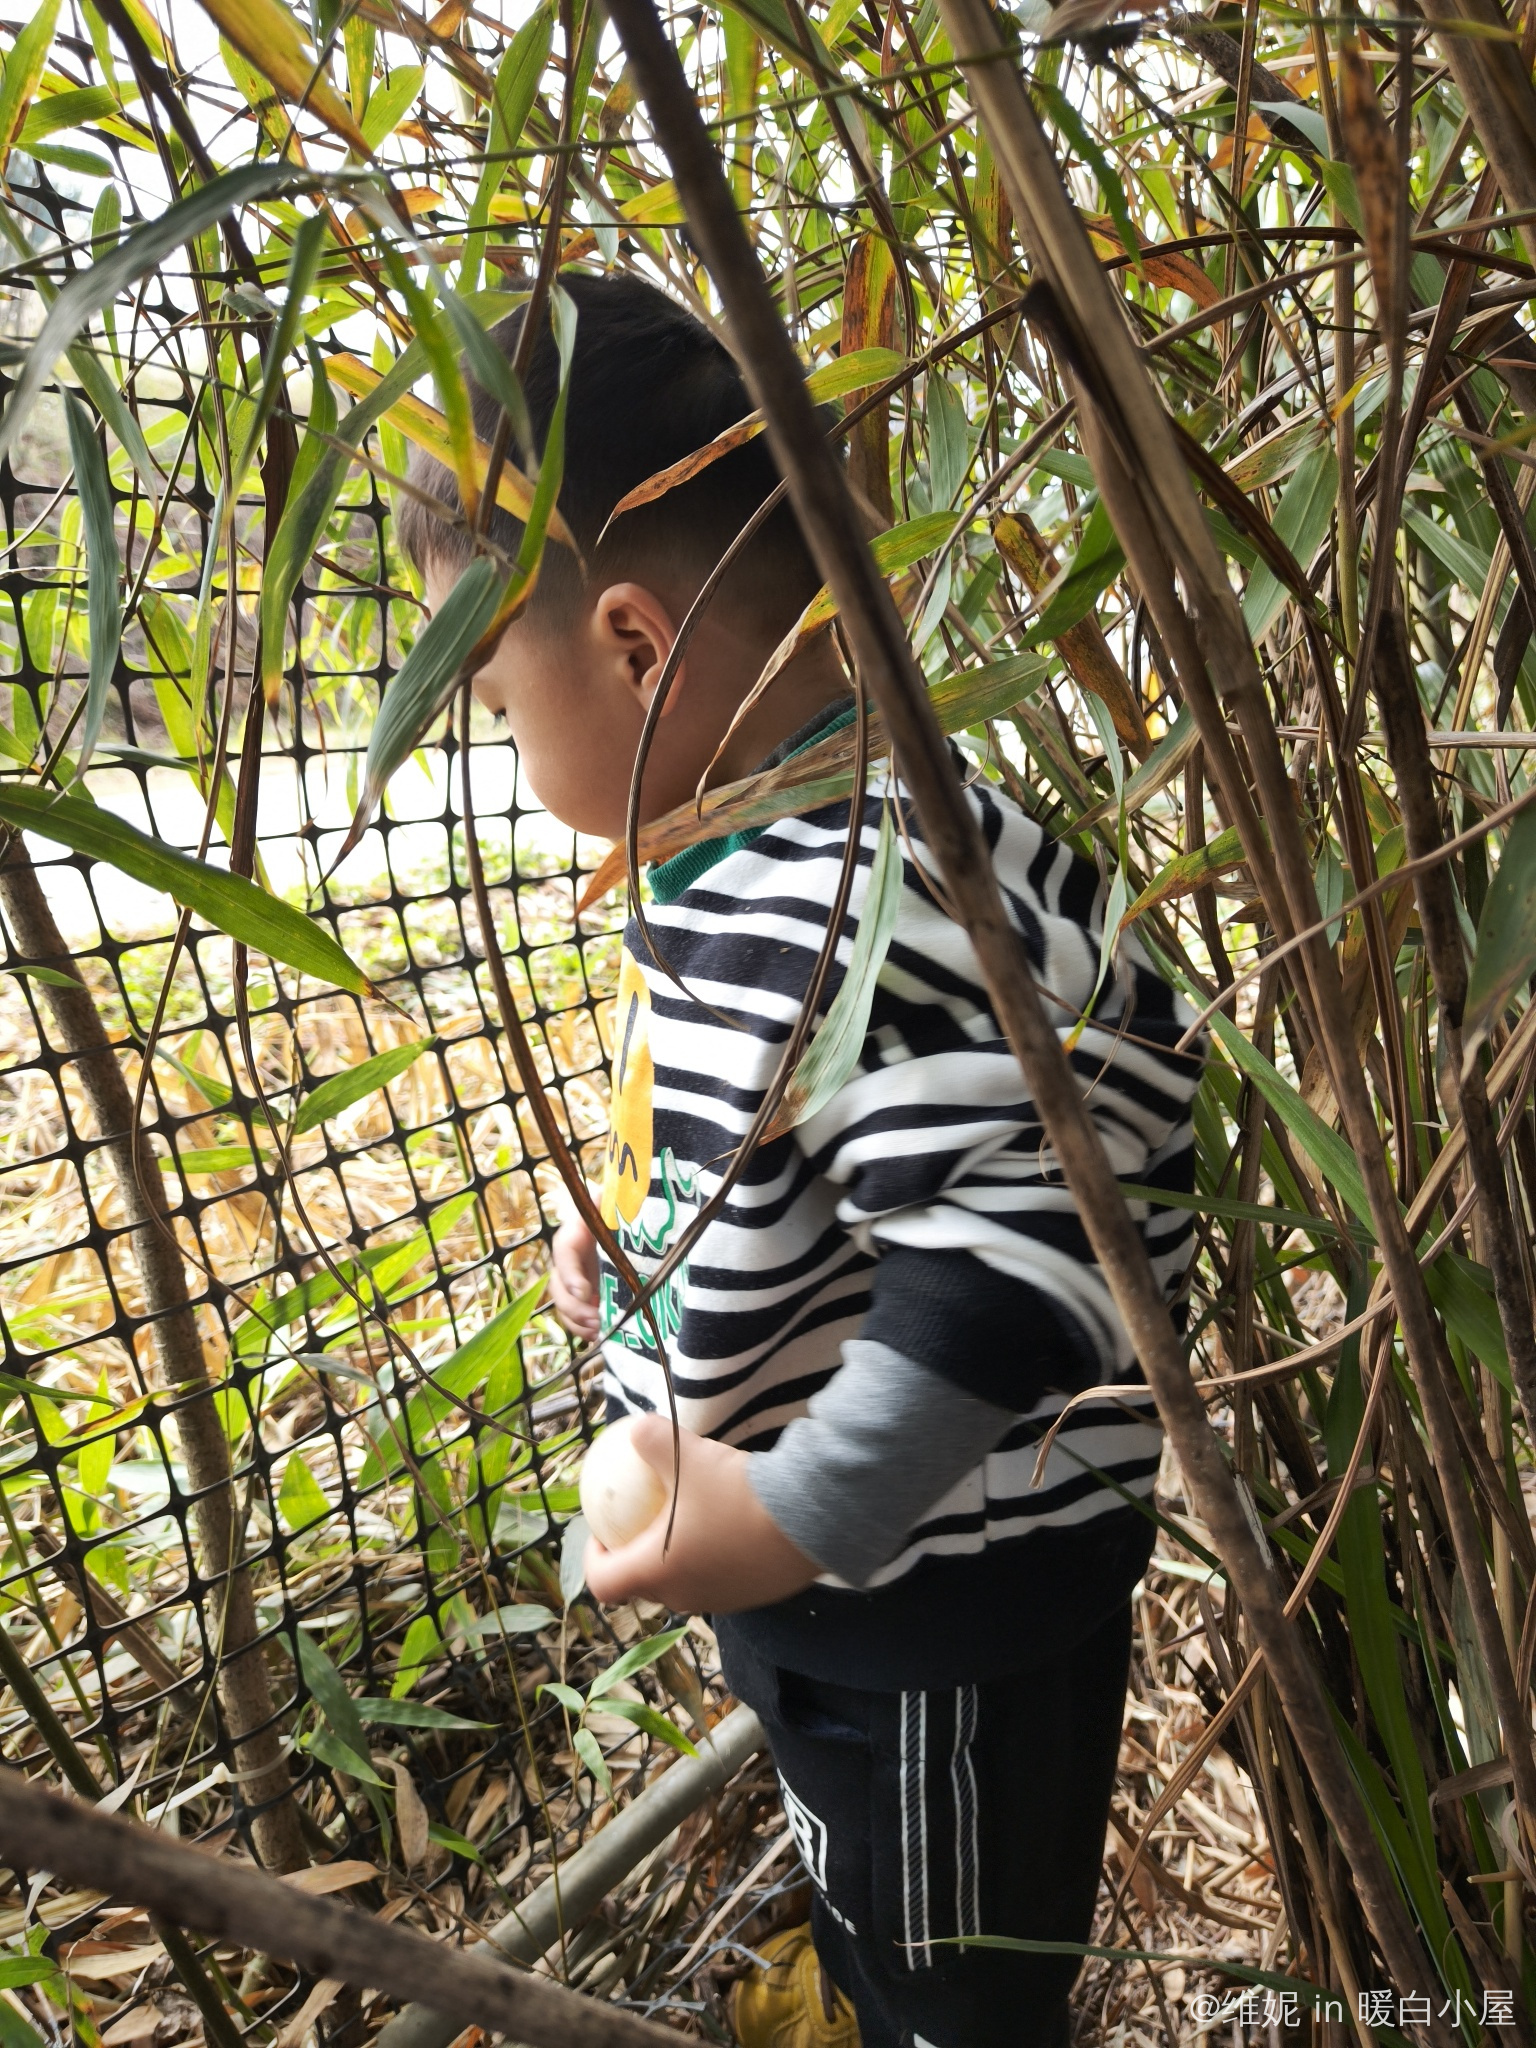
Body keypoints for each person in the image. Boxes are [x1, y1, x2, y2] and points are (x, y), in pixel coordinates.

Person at [398, 271, 1204, 2048]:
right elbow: (814, 1141)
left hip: (934, 1613)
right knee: (879, 1909)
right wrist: (634, 1231)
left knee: (950, 1990)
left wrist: (792, 1517)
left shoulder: (850, 897)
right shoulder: (779, 841)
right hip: (842, 1590)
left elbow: (1021, 1243)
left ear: (631, 646)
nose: (504, 752)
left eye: (494, 700)